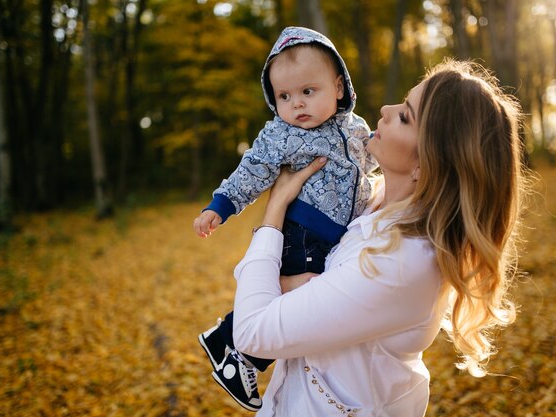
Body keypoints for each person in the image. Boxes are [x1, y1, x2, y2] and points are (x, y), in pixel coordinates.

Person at [231, 59, 528, 417]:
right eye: (401, 103)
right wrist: (283, 284)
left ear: (429, 161)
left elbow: (250, 331)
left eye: (405, 116)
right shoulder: (369, 200)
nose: (386, 110)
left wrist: (275, 207)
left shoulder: (405, 260)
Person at [193, 27, 377, 411]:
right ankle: (239, 354)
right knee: (291, 300)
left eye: (308, 91)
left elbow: (370, 161)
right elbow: (252, 171)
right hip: (303, 231)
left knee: (298, 295)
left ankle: (224, 338)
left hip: (333, 238)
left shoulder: (357, 129)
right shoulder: (282, 134)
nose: (296, 105)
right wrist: (221, 205)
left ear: (339, 87)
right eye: (284, 96)